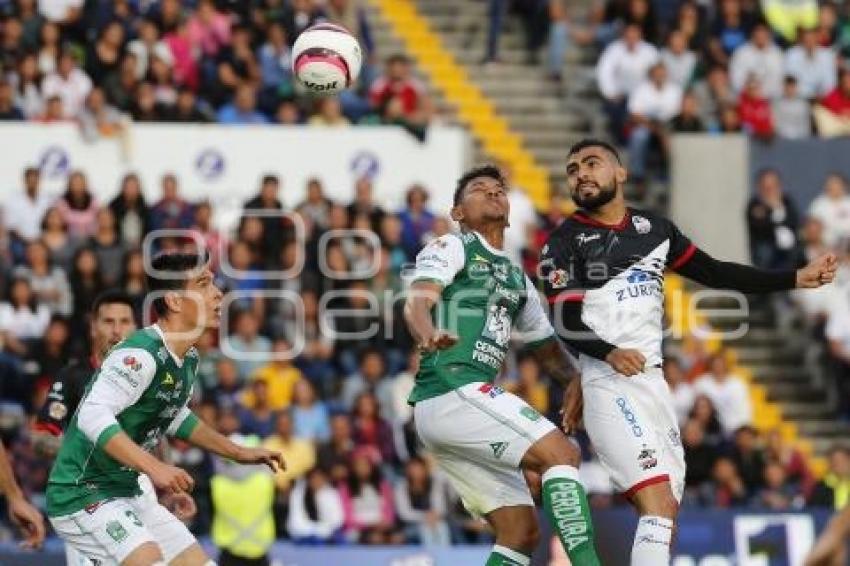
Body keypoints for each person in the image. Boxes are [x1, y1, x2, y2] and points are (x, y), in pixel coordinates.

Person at [542, 138, 836, 565]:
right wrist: (607, 354)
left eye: (592, 163)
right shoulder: (564, 242)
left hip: (652, 384)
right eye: (573, 169)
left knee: (665, 514)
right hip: (609, 383)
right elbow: (565, 321)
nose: (582, 174)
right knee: (658, 503)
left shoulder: (655, 230)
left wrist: (794, 278)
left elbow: (715, 272)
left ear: (621, 173)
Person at [404, 165, 601, 566]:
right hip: (453, 387)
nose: (494, 193)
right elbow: (417, 301)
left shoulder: (517, 278)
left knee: (521, 532)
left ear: (510, 211)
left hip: (452, 409)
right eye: (480, 189)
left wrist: (576, 378)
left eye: (500, 189)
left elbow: (546, 349)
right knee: (561, 454)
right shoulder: (453, 247)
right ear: (458, 212)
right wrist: (427, 332)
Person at [45, 252, 285, 566]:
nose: (217, 293)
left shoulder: (189, 359)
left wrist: (236, 452)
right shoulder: (139, 355)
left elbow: (176, 415)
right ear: (173, 300)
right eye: (203, 284)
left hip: (127, 491)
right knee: (149, 559)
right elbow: (91, 415)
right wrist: (156, 468)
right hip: (83, 494)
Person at [33, 289, 198, 566]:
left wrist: (172, 489)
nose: (116, 330)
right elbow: (41, 437)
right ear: (93, 327)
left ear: (136, 326)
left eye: (124, 321)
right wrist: (93, 450)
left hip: (136, 487)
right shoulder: (73, 377)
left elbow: (158, 435)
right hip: (88, 493)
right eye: (108, 322)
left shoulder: (151, 368)